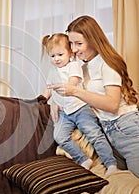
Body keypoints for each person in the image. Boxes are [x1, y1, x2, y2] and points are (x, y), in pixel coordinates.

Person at [49, 15, 139, 177]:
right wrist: (56, 101)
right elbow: (75, 95)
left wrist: (75, 91)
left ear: (93, 41)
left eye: (79, 44)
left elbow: (112, 105)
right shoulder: (82, 68)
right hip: (107, 133)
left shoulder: (107, 64)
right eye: (71, 44)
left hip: (126, 128)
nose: (74, 49)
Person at [42, 33, 118, 175]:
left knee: (94, 135)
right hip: (64, 112)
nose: (56, 59)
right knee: (59, 137)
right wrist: (42, 99)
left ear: (70, 52)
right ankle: (83, 159)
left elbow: (73, 82)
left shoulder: (74, 66)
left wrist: (68, 88)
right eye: (52, 56)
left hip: (80, 108)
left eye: (60, 54)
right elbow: (48, 88)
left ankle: (111, 163)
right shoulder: (52, 71)